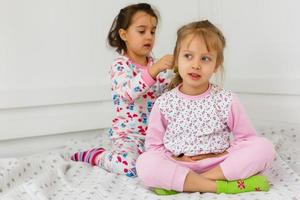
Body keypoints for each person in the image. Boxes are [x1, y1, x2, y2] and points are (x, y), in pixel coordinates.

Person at [136, 20, 276, 195]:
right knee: (145, 162)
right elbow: (154, 146)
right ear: (177, 60)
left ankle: (187, 183)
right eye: (188, 56)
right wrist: (174, 158)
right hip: (179, 164)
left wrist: (222, 155)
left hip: (219, 164)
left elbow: (247, 139)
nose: (196, 65)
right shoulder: (164, 103)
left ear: (216, 65)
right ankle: (221, 186)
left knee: (264, 147)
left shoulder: (226, 99)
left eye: (205, 58)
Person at [70, 3, 174, 177]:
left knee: (174, 161)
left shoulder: (154, 64)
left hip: (156, 136)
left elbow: (165, 96)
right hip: (129, 136)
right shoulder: (120, 66)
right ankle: (98, 156)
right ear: (124, 34)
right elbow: (128, 93)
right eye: (142, 31)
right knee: (129, 167)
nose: (149, 36)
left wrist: (177, 79)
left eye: (153, 31)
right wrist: (154, 70)